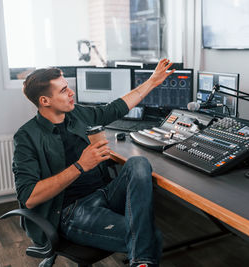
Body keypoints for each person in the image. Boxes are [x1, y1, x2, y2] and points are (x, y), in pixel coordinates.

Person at [13, 59, 175, 267]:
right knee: (150, 238)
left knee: (138, 163)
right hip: (71, 211)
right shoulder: (26, 137)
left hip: (104, 193)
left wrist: (152, 81)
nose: (71, 93)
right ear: (45, 101)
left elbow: (115, 108)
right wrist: (80, 166)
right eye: (63, 90)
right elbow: (29, 198)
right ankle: (142, 260)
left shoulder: (76, 114)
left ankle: (140, 259)